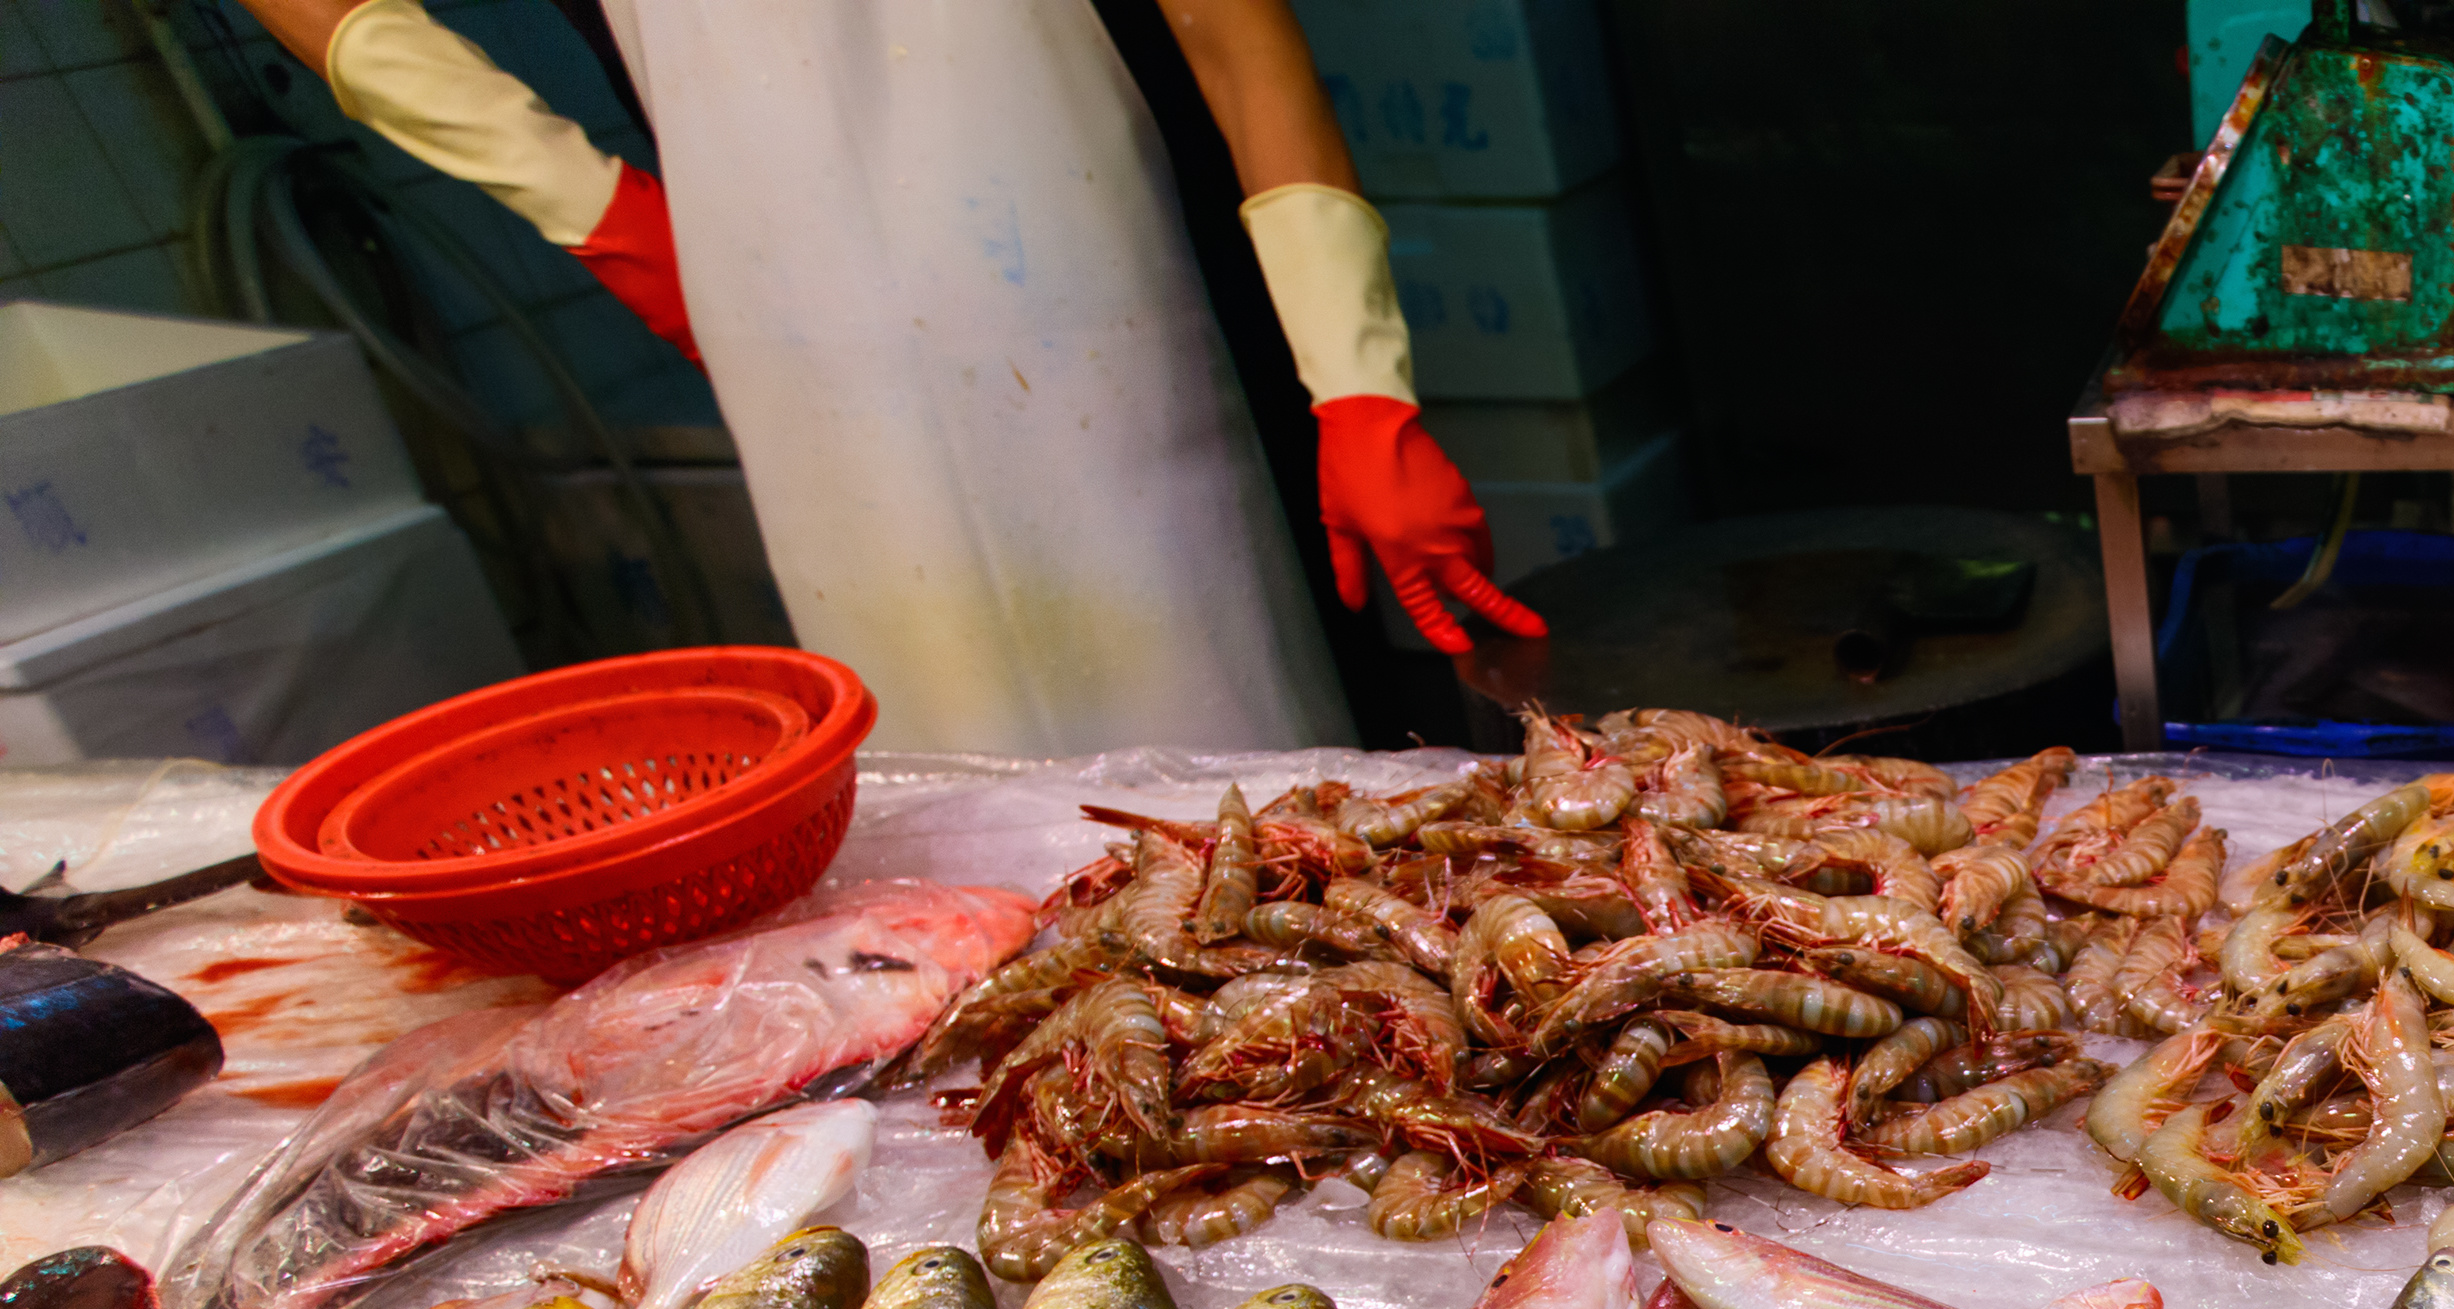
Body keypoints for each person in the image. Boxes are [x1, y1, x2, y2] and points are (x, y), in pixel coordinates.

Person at [235, 0, 1545, 753]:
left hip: (1113, 298)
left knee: (1239, 762)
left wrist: (1356, 379)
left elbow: (1229, 30)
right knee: (935, 778)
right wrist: (581, 197)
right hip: (803, 330)